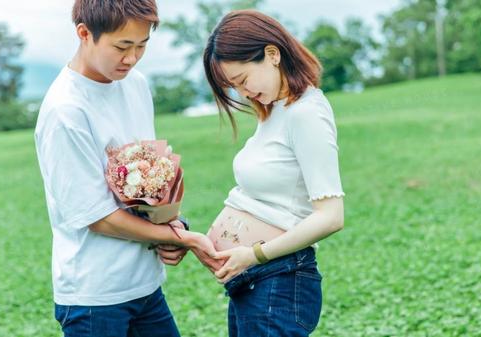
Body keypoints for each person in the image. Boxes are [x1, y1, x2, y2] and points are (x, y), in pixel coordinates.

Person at [34, 1, 220, 336]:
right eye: (122, 46)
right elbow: (97, 217)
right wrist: (183, 238)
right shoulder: (66, 110)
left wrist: (171, 224)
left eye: (142, 45)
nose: (131, 58)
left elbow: (147, 184)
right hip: (96, 297)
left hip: (145, 287)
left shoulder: (135, 85)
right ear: (84, 33)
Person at [201, 9, 346, 337]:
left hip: (278, 278)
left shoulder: (306, 113)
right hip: (255, 281)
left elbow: (331, 216)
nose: (243, 93)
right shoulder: (276, 111)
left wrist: (254, 254)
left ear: (271, 54)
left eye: (242, 81)